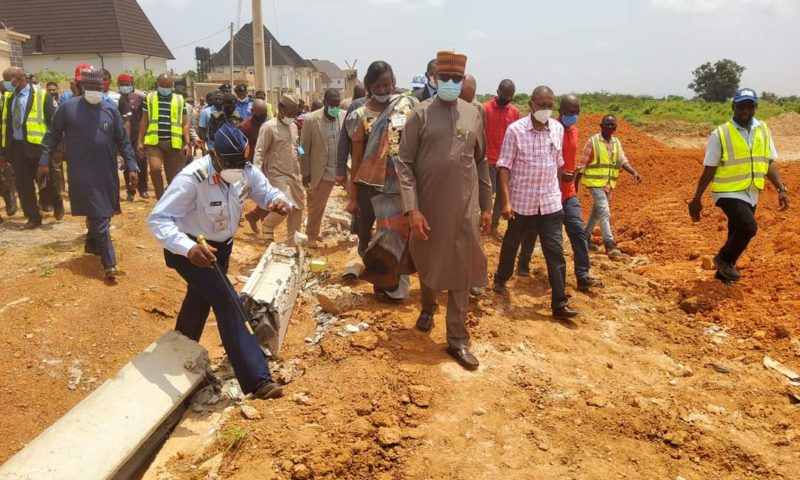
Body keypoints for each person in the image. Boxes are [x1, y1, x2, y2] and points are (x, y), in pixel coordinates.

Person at [148, 124, 290, 400]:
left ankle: (178, 354)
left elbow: (266, 192)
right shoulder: (193, 178)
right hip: (191, 251)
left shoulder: (244, 170)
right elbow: (158, 219)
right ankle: (258, 380)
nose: (237, 169)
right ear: (214, 155)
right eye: (231, 164)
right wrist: (188, 249)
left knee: (199, 300)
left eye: (241, 163)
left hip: (220, 250)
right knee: (228, 302)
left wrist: (278, 201)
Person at [397, 50, 490, 370]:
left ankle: (457, 340)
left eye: (456, 79)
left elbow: (481, 161)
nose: (450, 83)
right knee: (429, 261)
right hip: (428, 208)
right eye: (445, 78)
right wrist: (412, 209)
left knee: (462, 271)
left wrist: (487, 205)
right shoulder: (419, 115)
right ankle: (427, 306)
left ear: (463, 80)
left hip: (465, 209)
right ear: (434, 79)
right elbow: (404, 163)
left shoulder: (474, 113)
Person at [39, 67, 138, 279]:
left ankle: (92, 243)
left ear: (103, 87)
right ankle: (109, 263)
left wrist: (132, 166)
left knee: (103, 212)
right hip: (81, 171)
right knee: (99, 215)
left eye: (98, 87)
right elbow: (52, 136)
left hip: (106, 171)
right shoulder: (67, 108)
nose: (94, 91)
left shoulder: (110, 110)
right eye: (90, 87)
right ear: (82, 87)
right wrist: (44, 161)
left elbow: (123, 141)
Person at [493, 86, 580, 321]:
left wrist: (566, 179)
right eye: (541, 105)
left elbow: (558, 162)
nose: (546, 109)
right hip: (522, 202)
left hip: (550, 202)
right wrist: (506, 202)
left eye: (550, 105)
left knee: (555, 251)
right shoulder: (516, 130)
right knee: (512, 243)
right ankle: (501, 278)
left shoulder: (557, 129)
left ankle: (559, 303)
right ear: (531, 105)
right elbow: (504, 166)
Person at [689, 88, 789, 283]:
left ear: (755, 107)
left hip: (751, 190)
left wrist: (781, 189)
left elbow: (769, 162)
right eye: (741, 105)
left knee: (735, 231)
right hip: (727, 191)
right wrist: (696, 199)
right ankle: (723, 259)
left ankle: (722, 276)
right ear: (733, 106)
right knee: (748, 228)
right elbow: (709, 168)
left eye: (750, 105)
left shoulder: (764, 130)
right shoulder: (720, 134)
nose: (745, 109)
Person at [346, 61, 418, 302]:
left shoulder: (407, 106)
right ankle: (392, 284)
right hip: (376, 189)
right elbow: (356, 159)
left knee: (402, 235)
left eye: (388, 84)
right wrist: (353, 196)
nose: (385, 89)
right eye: (379, 85)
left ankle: (389, 282)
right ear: (369, 85)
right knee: (388, 234)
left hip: (405, 185)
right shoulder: (359, 116)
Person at [516, 95, 603, 290]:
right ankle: (523, 263)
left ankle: (582, 274)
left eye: (577, 112)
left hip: (567, 192)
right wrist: (558, 173)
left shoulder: (575, 132)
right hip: (546, 192)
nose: (574, 116)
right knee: (532, 229)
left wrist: (572, 180)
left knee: (578, 231)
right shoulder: (550, 130)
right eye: (571, 112)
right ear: (561, 111)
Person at [1, 66, 62, 229]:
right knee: (23, 184)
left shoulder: (42, 95)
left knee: (45, 182)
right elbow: (5, 125)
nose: (5, 83)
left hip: (39, 147)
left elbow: (53, 125)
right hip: (17, 148)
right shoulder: (8, 97)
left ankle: (56, 201)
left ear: (17, 79)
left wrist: (56, 149)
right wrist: (4, 151)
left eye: (7, 80)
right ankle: (33, 217)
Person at [575, 114, 642, 259]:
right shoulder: (592, 141)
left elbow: (622, 160)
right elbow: (582, 164)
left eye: (612, 125)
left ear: (616, 127)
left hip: (608, 184)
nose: (610, 127)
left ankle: (584, 238)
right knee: (604, 211)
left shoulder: (616, 142)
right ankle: (609, 244)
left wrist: (634, 172)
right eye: (607, 125)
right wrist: (574, 184)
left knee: (596, 212)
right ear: (601, 126)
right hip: (595, 183)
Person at [246, 94, 304, 245]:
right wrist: (256, 175)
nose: (291, 117)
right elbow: (259, 151)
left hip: (295, 173)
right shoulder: (269, 127)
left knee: (298, 209)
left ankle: (292, 244)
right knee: (285, 205)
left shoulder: (293, 127)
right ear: (280, 108)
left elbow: (297, 146)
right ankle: (268, 224)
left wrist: (304, 156)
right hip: (277, 174)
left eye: (294, 114)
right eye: (289, 113)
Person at [300, 88, 345, 243]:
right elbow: (303, 148)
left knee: (357, 201)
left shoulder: (344, 116)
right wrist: (305, 172)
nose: (335, 108)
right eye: (332, 105)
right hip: (322, 171)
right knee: (317, 206)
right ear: (325, 103)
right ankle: (311, 236)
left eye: (337, 104)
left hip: (342, 168)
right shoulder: (311, 119)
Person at [137, 73, 190, 199]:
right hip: (154, 143)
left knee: (174, 177)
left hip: (174, 143)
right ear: (158, 84)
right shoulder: (149, 98)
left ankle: (170, 201)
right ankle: (160, 198)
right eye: (163, 86)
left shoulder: (179, 100)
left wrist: (187, 143)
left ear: (172, 85)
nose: (165, 88)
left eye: (168, 86)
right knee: (155, 169)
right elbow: (144, 121)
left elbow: (185, 124)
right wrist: (140, 141)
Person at [483, 79, 520, 240]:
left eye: (510, 96)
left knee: (501, 197)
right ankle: (483, 224)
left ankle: (494, 226)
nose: (507, 99)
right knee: (486, 194)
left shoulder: (514, 112)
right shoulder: (485, 109)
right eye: (505, 95)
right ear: (498, 92)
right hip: (487, 160)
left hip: (505, 162)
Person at [118, 73, 148, 201]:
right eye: (122, 85)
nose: (125, 87)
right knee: (127, 165)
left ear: (132, 85)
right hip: (123, 137)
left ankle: (143, 189)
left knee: (141, 163)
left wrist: (142, 138)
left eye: (127, 85)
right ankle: (131, 191)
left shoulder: (139, 98)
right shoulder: (116, 99)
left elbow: (143, 119)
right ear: (118, 85)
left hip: (138, 135)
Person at [238, 99, 269, 163]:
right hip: (251, 163)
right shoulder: (244, 127)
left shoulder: (268, 125)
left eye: (264, 115)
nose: (262, 118)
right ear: (252, 111)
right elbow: (241, 149)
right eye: (260, 115)